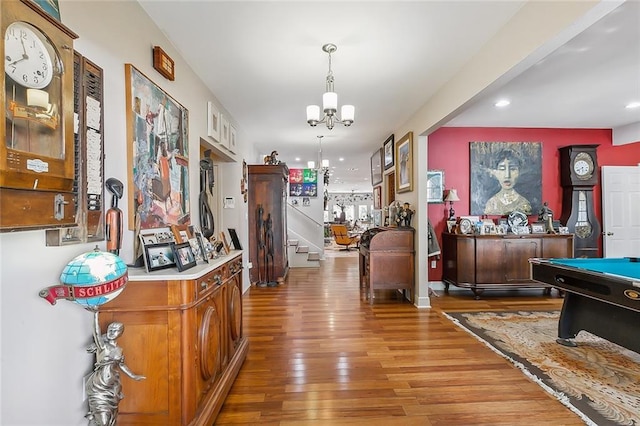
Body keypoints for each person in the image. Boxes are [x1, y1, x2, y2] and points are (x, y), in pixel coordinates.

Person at [85, 312, 145, 426]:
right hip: (99, 386)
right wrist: (95, 313)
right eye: (110, 329)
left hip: (113, 389)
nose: (111, 332)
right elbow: (96, 332)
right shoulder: (103, 346)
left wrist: (133, 376)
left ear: (120, 333)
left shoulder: (119, 350)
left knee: (111, 419)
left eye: (115, 330)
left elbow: (121, 365)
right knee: (103, 421)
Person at [484, 149, 532, 215]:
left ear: (519, 172)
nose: (507, 175)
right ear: (495, 172)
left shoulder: (524, 203)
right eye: (502, 169)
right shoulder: (491, 204)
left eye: (512, 169)